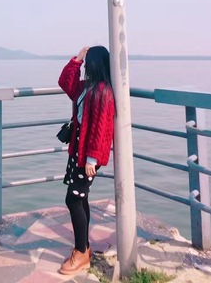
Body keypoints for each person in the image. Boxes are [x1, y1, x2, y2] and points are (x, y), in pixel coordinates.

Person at [57, 45, 115, 276]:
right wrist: (77, 58)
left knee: (73, 199)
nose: (85, 66)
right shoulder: (86, 87)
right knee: (80, 198)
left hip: (88, 156)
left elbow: (102, 129)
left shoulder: (102, 92)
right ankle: (85, 248)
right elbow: (65, 82)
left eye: (88, 61)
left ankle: (81, 252)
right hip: (79, 151)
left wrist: (92, 159)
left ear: (95, 64)